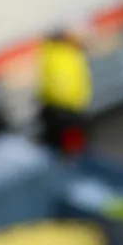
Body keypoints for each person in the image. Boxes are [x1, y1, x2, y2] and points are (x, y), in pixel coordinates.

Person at [37, 27, 92, 156]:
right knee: (73, 150)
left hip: (61, 109)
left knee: (62, 147)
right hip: (67, 111)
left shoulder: (51, 53)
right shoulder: (65, 55)